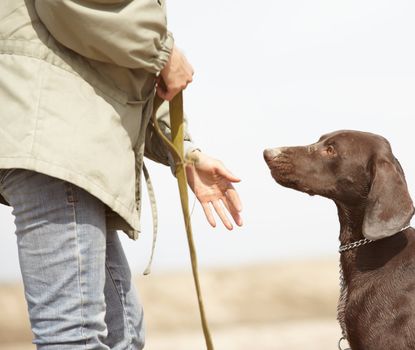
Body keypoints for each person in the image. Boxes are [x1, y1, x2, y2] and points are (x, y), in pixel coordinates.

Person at [0, 1, 243, 349]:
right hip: (58, 134)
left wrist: (185, 153)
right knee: (74, 337)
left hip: (71, 136)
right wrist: (163, 50)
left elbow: (119, 70)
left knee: (123, 336)